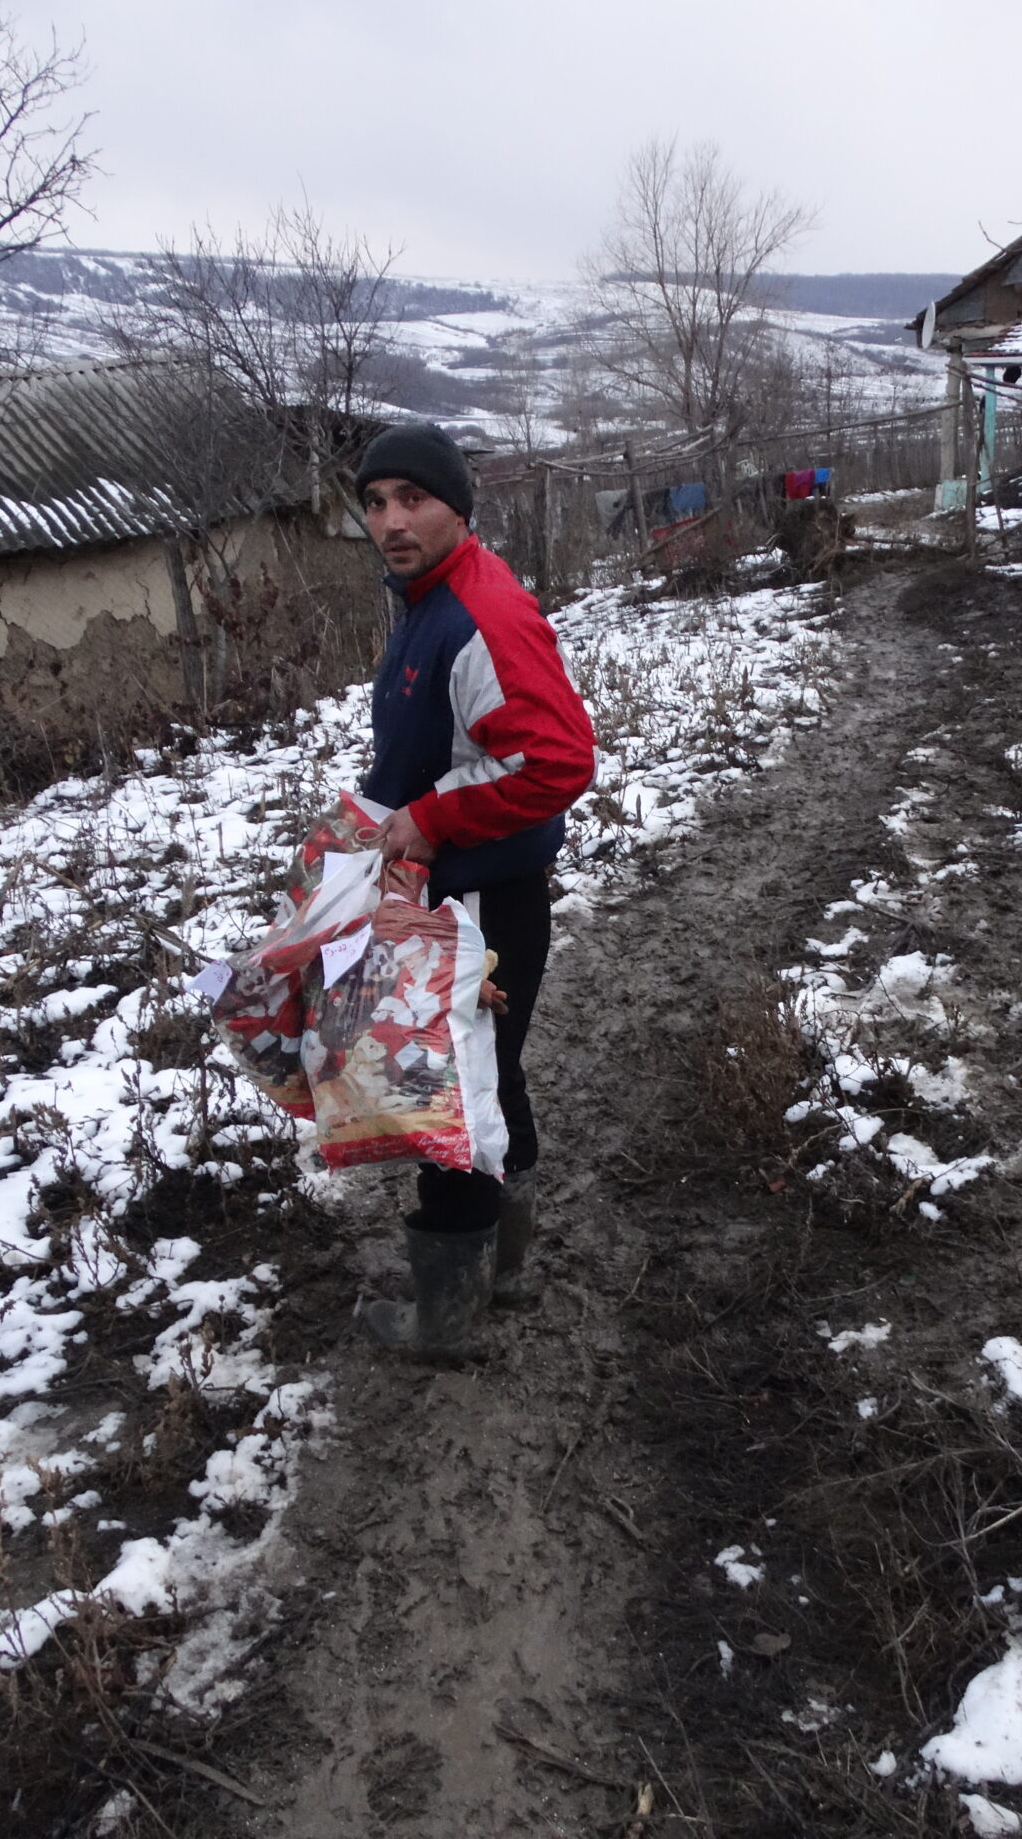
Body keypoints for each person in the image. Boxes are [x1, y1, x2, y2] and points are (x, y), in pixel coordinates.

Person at [350, 421, 596, 1357]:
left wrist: (428, 822)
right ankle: (506, 1268)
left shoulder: (479, 612)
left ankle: (447, 1318)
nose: (391, 520)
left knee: (443, 1090)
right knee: (488, 1073)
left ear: (459, 506)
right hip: (477, 887)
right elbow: (462, 743)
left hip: (478, 898)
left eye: (413, 499)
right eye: (375, 503)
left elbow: (558, 760)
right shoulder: (432, 598)